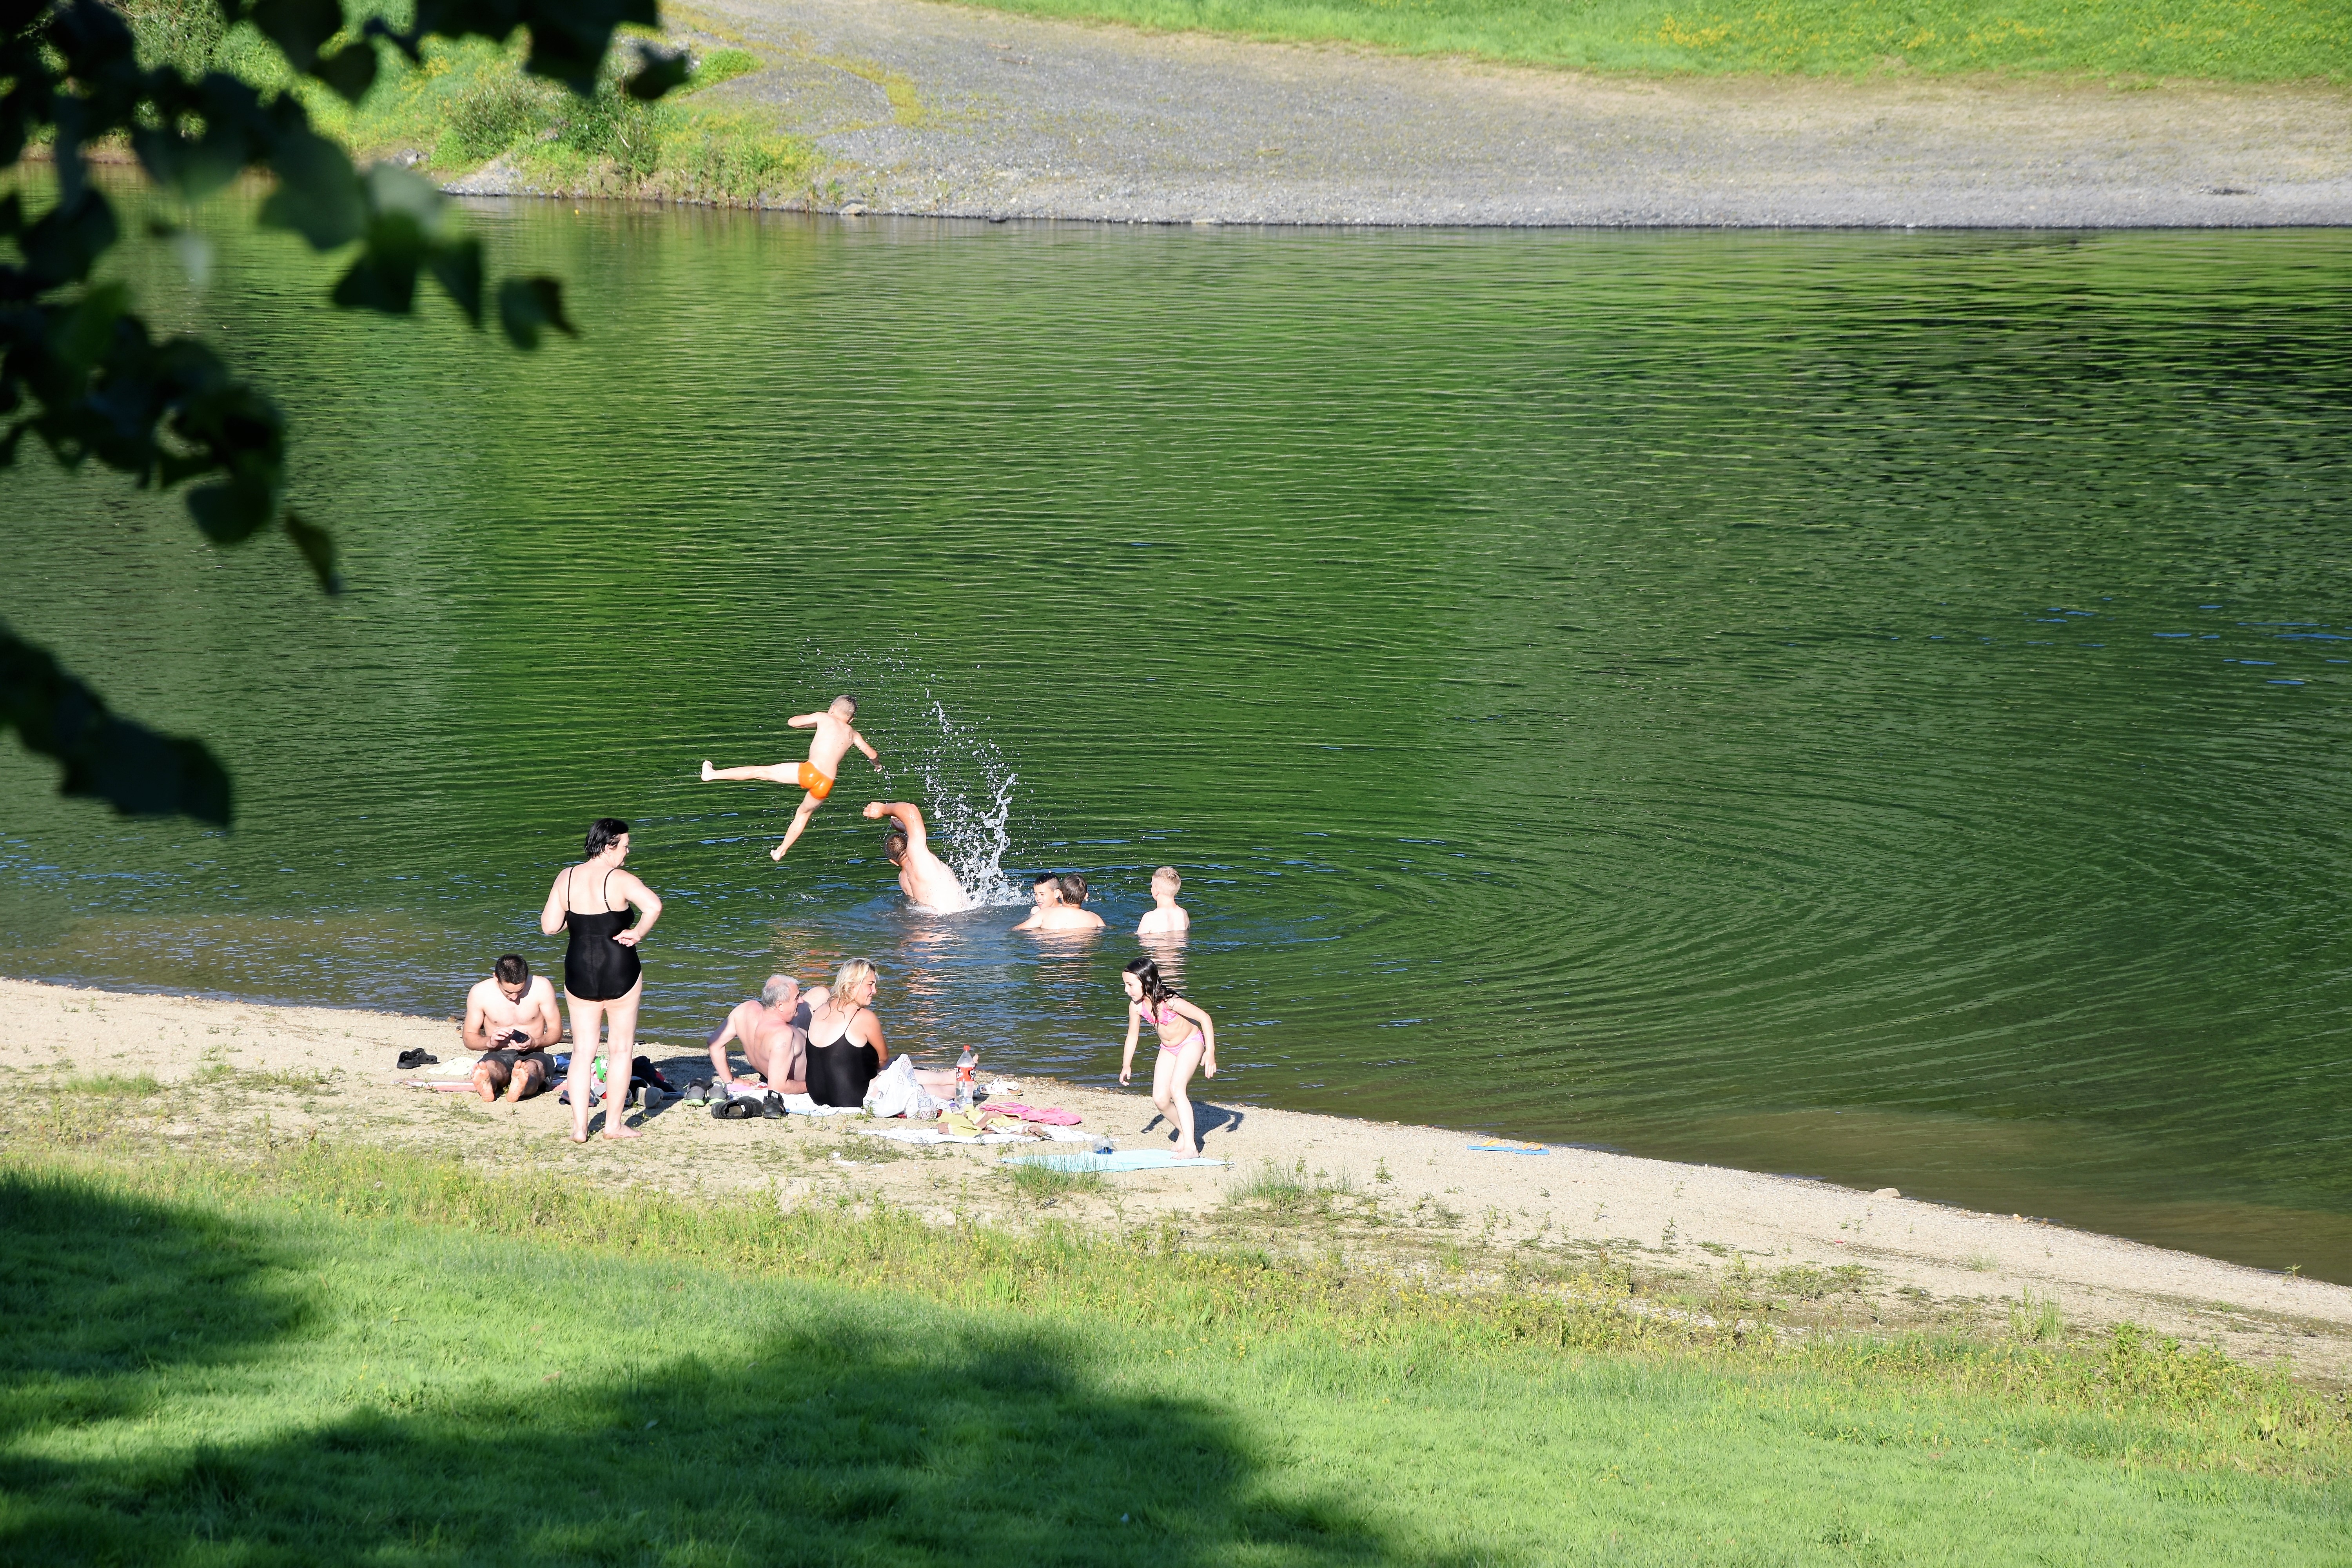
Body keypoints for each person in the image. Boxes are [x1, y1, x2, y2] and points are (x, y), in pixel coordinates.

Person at [539, 817, 663, 1143]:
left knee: (583, 1052)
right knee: (621, 1049)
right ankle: (612, 1126)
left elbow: (550, 927)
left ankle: (580, 1129)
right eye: (624, 847)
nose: (627, 853)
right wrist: (637, 933)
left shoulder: (565, 878)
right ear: (609, 847)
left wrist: (575, 920)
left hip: (579, 970)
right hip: (620, 968)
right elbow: (654, 905)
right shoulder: (619, 879)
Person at [700, 695, 878, 862]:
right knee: (803, 814)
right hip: (826, 783)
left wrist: (815, 722)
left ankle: (712, 775)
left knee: (762, 772)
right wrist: (877, 765)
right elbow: (872, 754)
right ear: (851, 719)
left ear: (832, 709)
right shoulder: (853, 734)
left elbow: (792, 722)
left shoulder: (824, 717)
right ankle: (781, 851)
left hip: (810, 772)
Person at [801, 959, 960, 1108]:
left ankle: (949, 1077)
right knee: (897, 1070)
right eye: (870, 985)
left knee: (884, 1065)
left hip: (818, 1096)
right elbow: (883, 1060)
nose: (875, 991)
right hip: (850, 1098)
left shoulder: (821, 1009)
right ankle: (956, 1087)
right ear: (852, 985)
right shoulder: (863, 1017)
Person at [1118, 956, 1218, 1157]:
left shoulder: (1170, 1002)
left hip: (1191, 1042)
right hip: (1168, 1048)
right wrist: (1126, 1064)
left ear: (1145, 983)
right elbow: (1132, 1036)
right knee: (1161, 1099)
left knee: (1177, 1088)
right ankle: (1184, 1130)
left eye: (1130, 985)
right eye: (1125, 985)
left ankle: (1191, 1147)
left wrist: (1210, 1053)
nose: (1126, 990)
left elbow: (1204, 1018)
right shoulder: (1136, 1007)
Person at [461, 954, 564, 1103]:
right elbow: (469, 1038)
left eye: (520, 991)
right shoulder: (480, 993)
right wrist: (490, 1043)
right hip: (499, 1054)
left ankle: (521, 1084)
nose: (515, 997)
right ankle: (489, 1083)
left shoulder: (542, 987)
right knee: (491, 1067)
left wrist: (535, 1043)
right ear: (496, 978)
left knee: (532, 1069)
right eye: (508, 992)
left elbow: (556, 1032)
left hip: (534, 1053)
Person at [707, 974, 829, 1092]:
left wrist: (730, 1081)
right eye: (797, 997)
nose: (801, 1000)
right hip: (808, 1072)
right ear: (780, 1006)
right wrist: (813, 1086)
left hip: (769, 1060)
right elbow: (778, 1087)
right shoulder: (783, 1035)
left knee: (821, 993)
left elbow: (714, 1044)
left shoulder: (745, 1010)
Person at [864, 800, 973, 913]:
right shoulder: (919, 856)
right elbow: (910, 810)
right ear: (910, 843)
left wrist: (908, 830)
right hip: (957, 922)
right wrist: (882, 809)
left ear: (894, 862)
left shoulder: (903, 879)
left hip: (927, 925)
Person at [1011, 871, 1105, 933]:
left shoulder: (1045, 913)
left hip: (1052, 950)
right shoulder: (1095, 918)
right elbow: (1107, 930)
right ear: (1086, 896)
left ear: (1060, 894)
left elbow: (1017, 929)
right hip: (1082, 952)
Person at [1136, 866, 1190, 940]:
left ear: (1156, 891)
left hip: (1160, 950)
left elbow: (1143, 943)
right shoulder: (1183, 913)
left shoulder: (1150, 917)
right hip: (1179, 951)